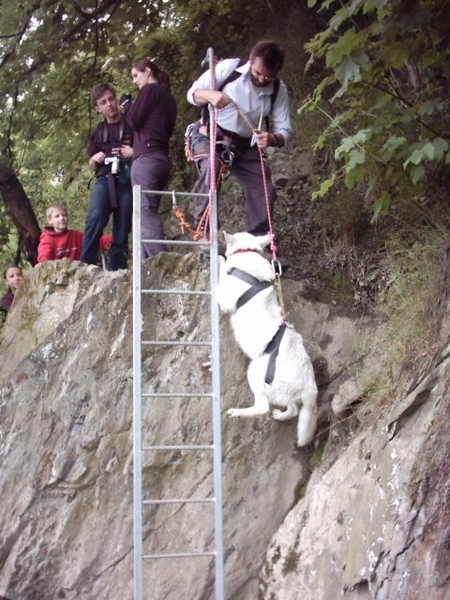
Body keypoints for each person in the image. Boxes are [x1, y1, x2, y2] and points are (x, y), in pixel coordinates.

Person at [186, 40, 292, 241]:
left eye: (268, 76)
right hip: (210, 134)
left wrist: (272, 138)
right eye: (258, 72)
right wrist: (211, 95)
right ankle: (205, 233)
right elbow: (192, 94)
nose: (261, 79)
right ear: (251, 61)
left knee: (263, 187)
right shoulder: (229, 68)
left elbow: (284, 130)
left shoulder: (278, 89)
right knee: (211, 167)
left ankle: (259, 241)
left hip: (245, 144)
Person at [120, 58, 177, 259]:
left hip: (146, 160)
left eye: (136, 75)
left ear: (147, 71)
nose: (135, 81)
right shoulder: (169, 99)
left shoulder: (150, 91)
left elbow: (134, 120)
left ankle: (160, 263)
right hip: (161, 159)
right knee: (144, 212)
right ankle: (146, 266)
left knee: (144, 211)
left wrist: (127, 106)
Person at [80, 83, 134, 270]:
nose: (109, 104)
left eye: (111, 99)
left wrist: (132, 152)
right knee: (95, 219)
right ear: (98, 108)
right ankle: (85, 267)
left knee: (123, 227)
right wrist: (95, 159)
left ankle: (117, 271)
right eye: (103, 102)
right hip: (105, 179)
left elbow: (145, 150)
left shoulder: (131, 123)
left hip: (127, 180)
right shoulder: (98, 132)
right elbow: (91, 164)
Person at [37, 203, 112, 264]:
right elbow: (44, 258)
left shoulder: (76, 235)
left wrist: (116, 236)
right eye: (57, 216)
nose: (62, 218)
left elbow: (94, 241)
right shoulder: (47, 239)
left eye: (64, 215)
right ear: (50, 220)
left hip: (77, 275)